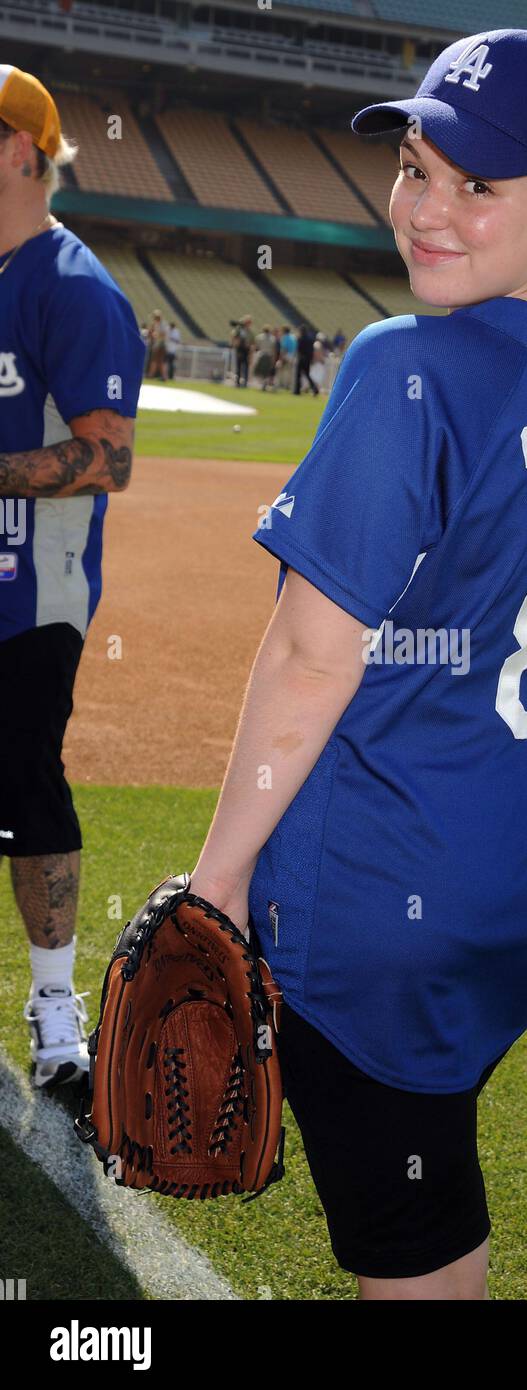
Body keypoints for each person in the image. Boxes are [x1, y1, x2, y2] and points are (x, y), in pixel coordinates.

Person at [186, 28, 527, 1301]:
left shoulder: (406, 368)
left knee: (419, 1262)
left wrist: (217, 882)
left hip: (371, 905)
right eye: (414, 166)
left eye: (477, 185)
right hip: (510, 894)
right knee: (428, 1198)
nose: (424, 210)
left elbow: (306, 655)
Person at [0, 67, 144, 1088]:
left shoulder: (75, 285)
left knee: (23, 784)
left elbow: (110, 459)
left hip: (30, 592)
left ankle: (56, 1008)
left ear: (20, 150)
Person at [293, 322, 320, 396]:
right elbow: (312, 350)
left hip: (302, 358)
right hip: (308, 359)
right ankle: (314, 388)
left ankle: (297, 390)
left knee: (298, 374)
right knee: (307, 375)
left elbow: (299, 349)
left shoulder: (301, 338)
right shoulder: (310, 339)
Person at [231, 315, 254, 388]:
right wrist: (235, 345)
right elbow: (234, 337)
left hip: (247, 350)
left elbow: (252, 342)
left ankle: (245, 383)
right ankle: (237, 382)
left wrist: (251, 352)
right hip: (240, 349)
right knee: (239, 366)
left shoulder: (250, 332)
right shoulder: (239, 330)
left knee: (246, 367)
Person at [253, 324, 276, 390]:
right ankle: (264, 384)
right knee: (266, 371)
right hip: (269, 355)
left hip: (261, 355)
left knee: (261, 371)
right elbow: (274, 350)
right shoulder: (273, 338)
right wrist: (273, 359)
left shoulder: (259, 337)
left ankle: (262, 384)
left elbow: (256, 346)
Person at [276, 324, 296, 390]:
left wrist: (280, 359)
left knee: (280, 370)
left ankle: (280, 385)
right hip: (292, 356)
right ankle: (288, 386)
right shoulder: (293, 337)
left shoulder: (285, 337)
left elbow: (284, 349)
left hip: (286, 355)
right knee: (289, 372)